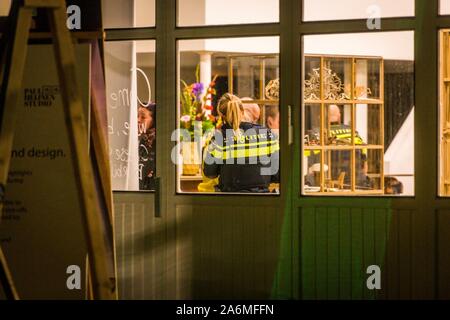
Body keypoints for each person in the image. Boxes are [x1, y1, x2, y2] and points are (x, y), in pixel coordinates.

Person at [203, 93, 280, 192]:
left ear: (222, 116)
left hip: (230, 202)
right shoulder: (268, 135)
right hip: (262, 201)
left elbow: (210, 173)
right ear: (242, 111)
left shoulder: (219, 139)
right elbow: (277, 175)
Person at [138, 103, 156, 190]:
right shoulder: (143, 139)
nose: (138, 120)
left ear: (154, 120)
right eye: (138, 116)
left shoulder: (158, 141)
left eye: (143, 117)